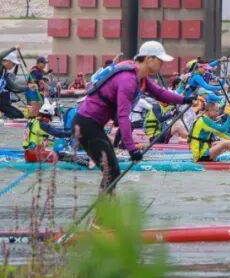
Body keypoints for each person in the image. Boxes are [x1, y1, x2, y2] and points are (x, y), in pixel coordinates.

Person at [74, 41, 191, 192]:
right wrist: (132, 149)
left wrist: (185, 99)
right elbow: (123, 116)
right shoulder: (128, 80)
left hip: (93, 125)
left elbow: (160, 93)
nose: (162, 64)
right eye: (160, 60)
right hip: (85, 125)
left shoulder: (140, 78)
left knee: (113, 171)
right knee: (112, 171)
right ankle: (105, 204)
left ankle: (107, 204)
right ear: (149, 59)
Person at [189, 94, 230, 162]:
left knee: (226, 141)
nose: (218, 113)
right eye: (216, 111)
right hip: (200, 156)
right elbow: (223, 130)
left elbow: (222, 134)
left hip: (203, 152)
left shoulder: (204, 119)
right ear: (210, 110)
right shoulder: (204, 121)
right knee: (227, 143)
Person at [0, 49, 25, 119]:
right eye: (13, 64)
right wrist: (13, 48)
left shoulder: (5, 74)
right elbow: (1, 56)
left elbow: (14, 86)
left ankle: (4, 117)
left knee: (20, 115)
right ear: (7, 61)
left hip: (3, 103)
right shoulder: (1, 68)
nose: (13, 66)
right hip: (2, 102)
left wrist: (17, 66)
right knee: (16, 115)